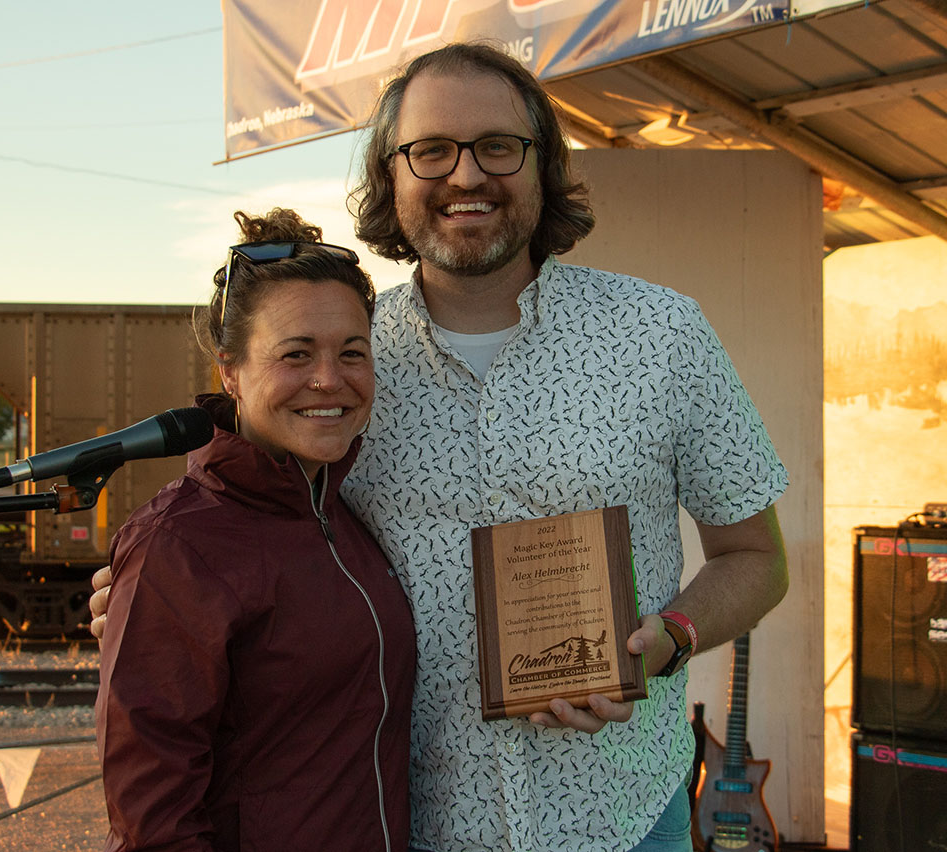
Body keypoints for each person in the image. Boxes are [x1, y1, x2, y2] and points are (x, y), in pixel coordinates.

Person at [93, 42, 788, 852]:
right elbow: (235, 525)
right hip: (415, 823)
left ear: (543, 166)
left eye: (498, 146)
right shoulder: (344, 356)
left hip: (625, 815)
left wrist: (668, 637)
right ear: (392, 174)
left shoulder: (663, 334)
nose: (465, 176)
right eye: (431, 151)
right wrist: (156, 596)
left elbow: (756, 557)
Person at [94, 208, 416, 852]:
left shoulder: (346, 512)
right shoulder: (179, 543)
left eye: (352, 352)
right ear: (230, 372)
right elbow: (152, 814)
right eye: (295, 354)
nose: (330, 379)